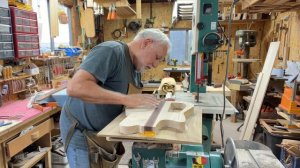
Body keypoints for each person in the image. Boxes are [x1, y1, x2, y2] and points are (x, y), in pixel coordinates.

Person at [59, 28, 171, 168]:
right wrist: (126, 99)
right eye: (157, 57)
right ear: (146, 43)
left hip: (105, 137)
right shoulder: (111, 51)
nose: (155, 65)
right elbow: (75, 87)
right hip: (83, 135)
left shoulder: (135, 68)